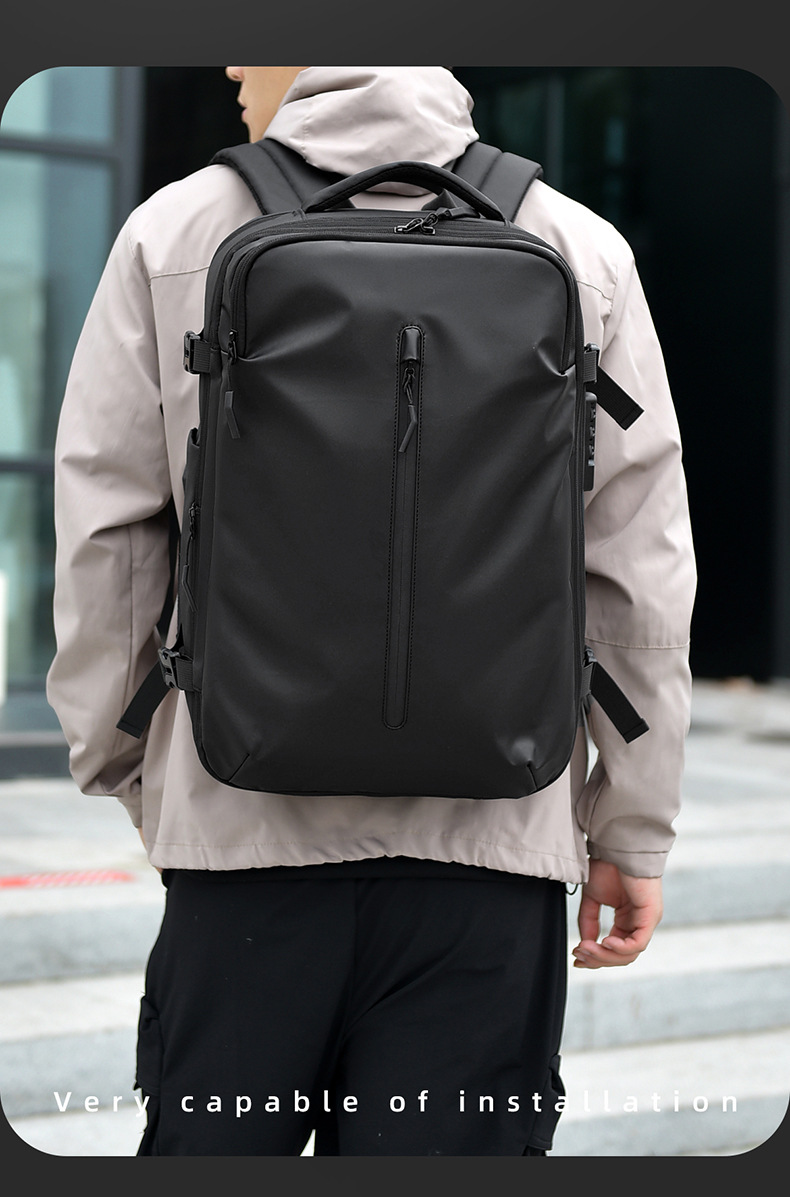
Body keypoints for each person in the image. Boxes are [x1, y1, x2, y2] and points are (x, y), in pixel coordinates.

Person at [46, 66, 696, 1156]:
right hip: (493, 853)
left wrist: (139, 766)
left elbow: (108, 535)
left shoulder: (176, 231)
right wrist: (631, 821)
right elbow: (637, 562)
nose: (228, 66)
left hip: (242, 838)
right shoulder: (578, 246)